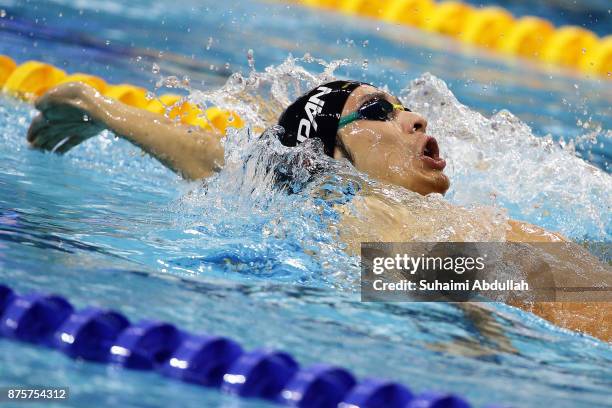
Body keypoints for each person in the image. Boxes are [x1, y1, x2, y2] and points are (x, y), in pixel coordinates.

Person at [26, 80, 611, 342]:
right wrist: (482, 330)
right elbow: (402, 268)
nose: (415, 119)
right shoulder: (375, 210)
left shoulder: (379, 203)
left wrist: (99, 106)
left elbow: (228, 166)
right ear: (331, 155)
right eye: (379, 109)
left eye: (406, 107)